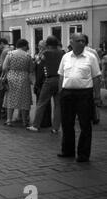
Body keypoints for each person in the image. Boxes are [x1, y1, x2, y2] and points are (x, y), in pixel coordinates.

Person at [57, 33, 102, 163]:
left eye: (83, 41)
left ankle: (83, 154)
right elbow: (61, 75)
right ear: (71, 42)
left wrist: (97, 96)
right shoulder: (65, 57)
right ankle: (68, 151)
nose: (82, 43)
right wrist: (61, 92)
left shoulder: (91, 57)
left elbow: (96, 77)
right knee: (67, 123)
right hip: (67, 93)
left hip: (84, 94)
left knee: (85, 124)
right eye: (78, 41)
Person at [27, 36, 64, 134]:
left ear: (47, 45)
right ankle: (56, 128)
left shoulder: (45, 53)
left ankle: (36, 125)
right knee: (58, 105)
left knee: (41, 103)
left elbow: (38, 63)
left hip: (50, 79)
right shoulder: (62, 53)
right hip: (60, 79)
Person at [3, 39, 34, 127]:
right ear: (24, 46)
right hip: (24, 78)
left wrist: (11, 69)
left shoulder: (10, 54)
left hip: (11, 76)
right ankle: (24, 121)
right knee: (24, 99)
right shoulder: (28, 55)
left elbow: (4, 67)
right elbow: (31, 69)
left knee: (10, 97)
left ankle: (9, 120)